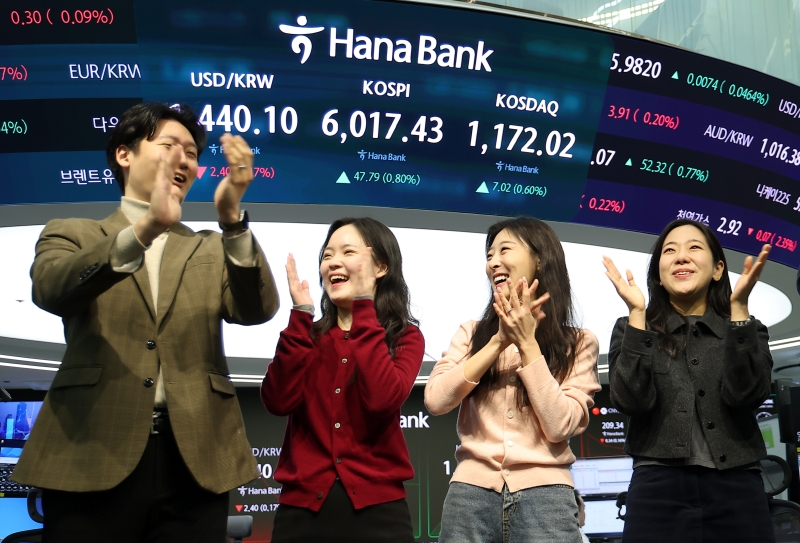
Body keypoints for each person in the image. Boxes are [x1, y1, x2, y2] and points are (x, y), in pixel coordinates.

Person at [11, 102, 280, 542]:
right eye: (170, 145)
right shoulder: (74, 232)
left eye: (192, 153)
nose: (184, 159)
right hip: (90, 449)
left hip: (196, 459)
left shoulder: (211, 247)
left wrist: (232, 222)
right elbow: (51, 288)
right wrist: (145, 229)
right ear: (124, 154)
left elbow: (257, 309)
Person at [424, 217, 601, 543]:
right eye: (489, 255)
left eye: (505, 250)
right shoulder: (471, 333)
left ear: (539, 259)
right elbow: (436, 400)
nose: (493, 262)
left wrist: (527, 345)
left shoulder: (579, 342)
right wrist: (497, 342)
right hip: (470, 495)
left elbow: (561, 425)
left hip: (547, 497)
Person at [603, 218, 774, 542]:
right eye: (670, 250)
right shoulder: (631, 328)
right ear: (659, 274)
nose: (681, 256)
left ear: (718, 269)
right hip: (657, 488)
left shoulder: (748, 329)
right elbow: (631, 401)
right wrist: (638, 316)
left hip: (738, 485)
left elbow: (746, 395)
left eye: (694, 247)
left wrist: (739, 313)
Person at [261, 217, 424, 543]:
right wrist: (301, 314)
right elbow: (277, 401)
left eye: (347, 252)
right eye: (326, 255)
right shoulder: (306, 335)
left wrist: (363, 308)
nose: (333, 262)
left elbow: (382, 400)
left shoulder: (405, 336)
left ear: (380, 267)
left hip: (379, 515)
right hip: (301, 513)